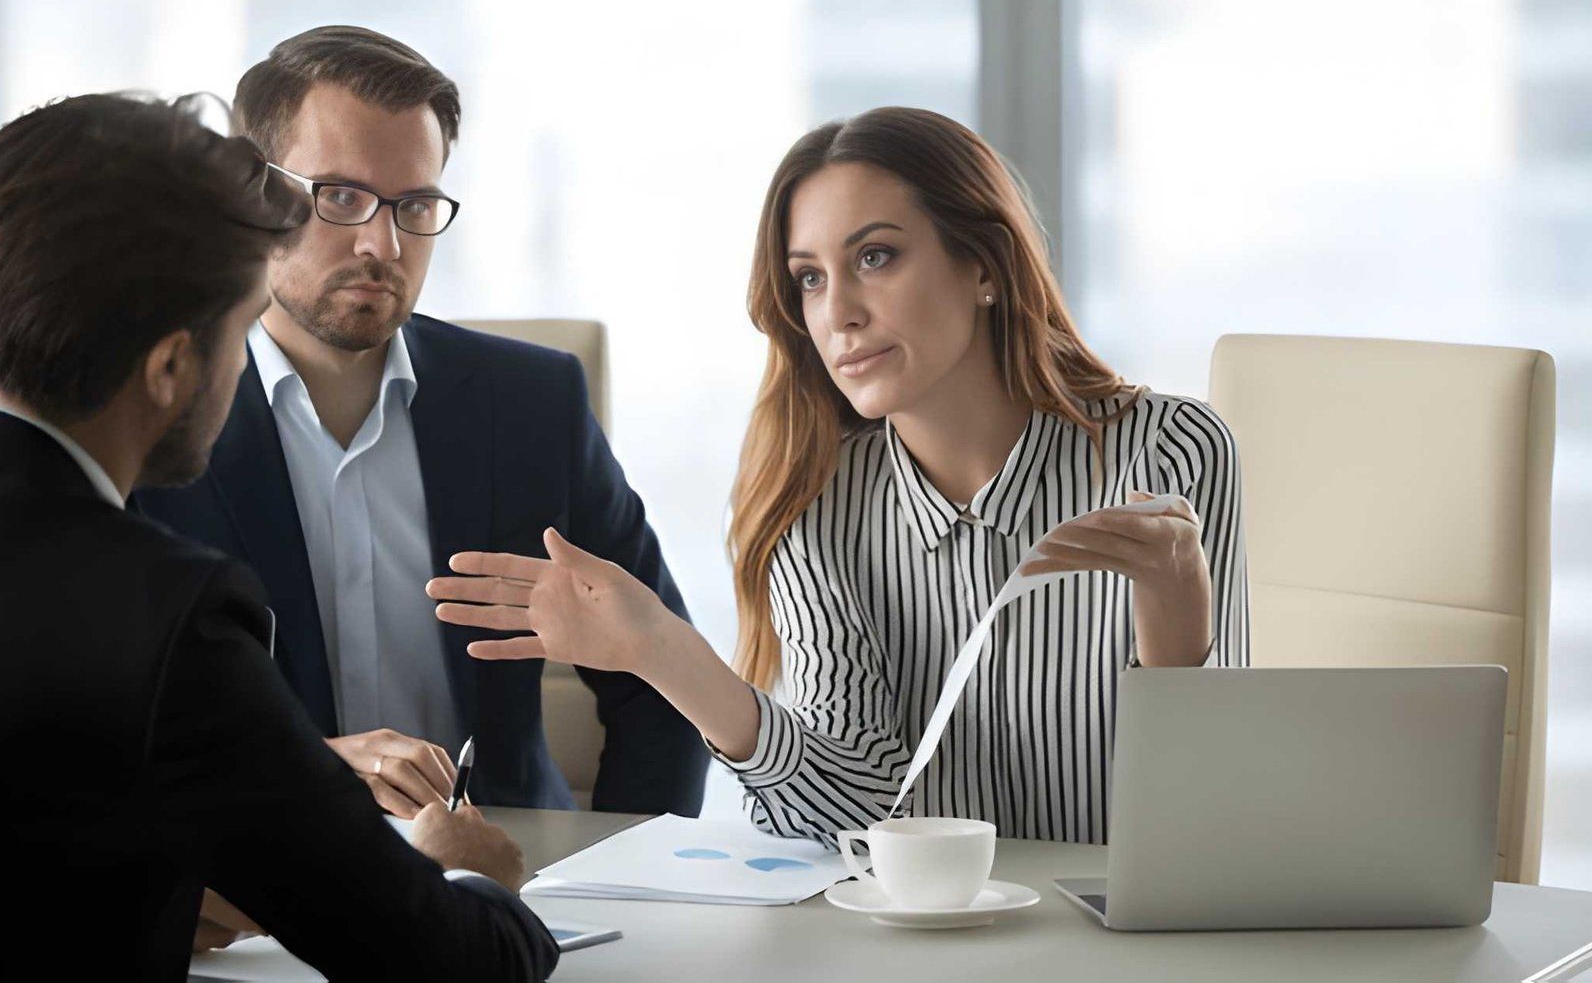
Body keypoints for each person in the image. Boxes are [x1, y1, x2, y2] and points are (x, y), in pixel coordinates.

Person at [428, 107, 1250, 847]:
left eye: (877, 257)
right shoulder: (816, 502)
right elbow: (853, 816)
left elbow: (1221, 818)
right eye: (810, 278)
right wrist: (662, 652)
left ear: (985, 267)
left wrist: (1176, 619)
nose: (838, 312)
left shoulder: (1168, 451)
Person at [0, 93, 556, 980]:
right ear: (173, 367)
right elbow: (449, 963)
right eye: (239, 323)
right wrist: (467, 876)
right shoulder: (163, 613)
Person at [135, 26, 709, 817]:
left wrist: (620, 881)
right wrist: (305, 774)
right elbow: (95, 731)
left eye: (416, 204)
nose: (384, 242)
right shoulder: (151, 410)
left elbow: (663, 683)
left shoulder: (532, 403)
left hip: (507, 882)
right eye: (339, 196)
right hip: (253, 898)